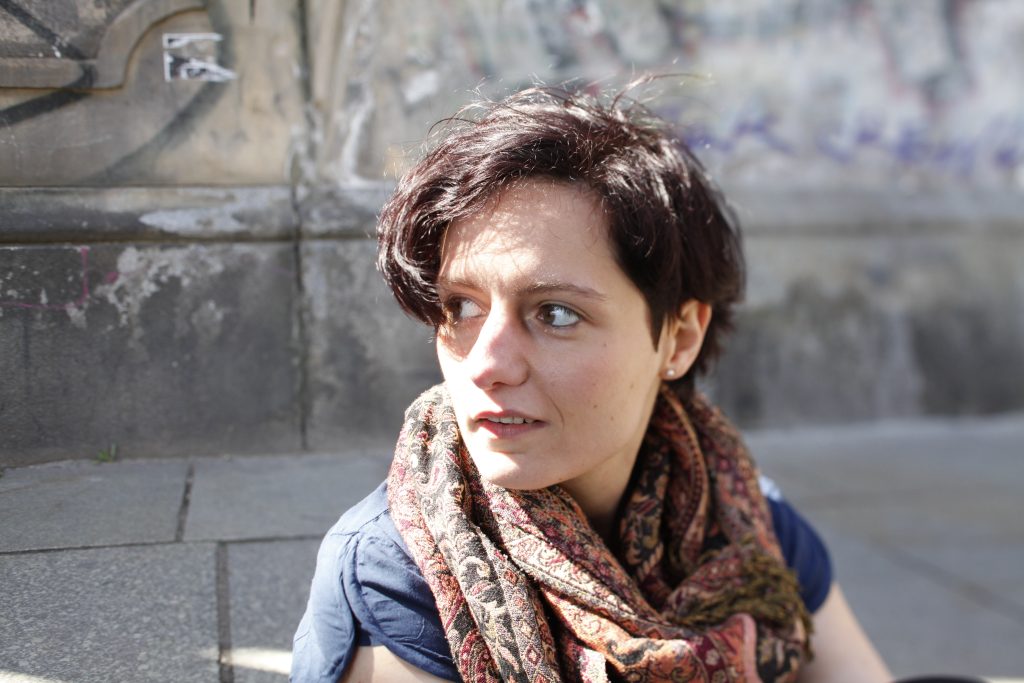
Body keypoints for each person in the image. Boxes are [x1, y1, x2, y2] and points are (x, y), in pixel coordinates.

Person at [292, 85, 891, 682]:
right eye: (462, 307)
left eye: (555, 313)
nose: (485, 364)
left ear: (680, 337)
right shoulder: (400, 576)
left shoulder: (746, 523)